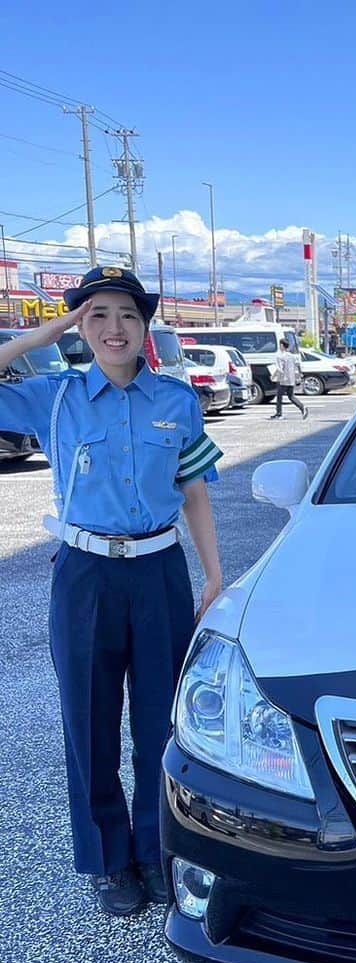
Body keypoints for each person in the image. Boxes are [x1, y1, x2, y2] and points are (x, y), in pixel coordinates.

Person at [0, 267, 224, 917]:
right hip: (86, 575)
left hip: (159, 571)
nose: (113, 328)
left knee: (161, 724)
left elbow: (197, 492)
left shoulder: (177, 401)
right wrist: (44, 330)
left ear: (145, 325)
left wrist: (213, 575)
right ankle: (107, 859)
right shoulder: (57, 398)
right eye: (95, 315)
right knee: (90, 722)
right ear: (79, 327)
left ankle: (156, 851)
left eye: (126, 314)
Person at [271, 340, 307, 420]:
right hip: (291, 379)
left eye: (280, 345)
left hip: (283, 379)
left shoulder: (280, 356)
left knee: (279, 397)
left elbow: (279, 369)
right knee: (291, 396)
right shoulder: (292, 356)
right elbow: (297, 367)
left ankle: (279, 414)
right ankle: (302, 407)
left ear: (282, 345)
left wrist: (273, 377)